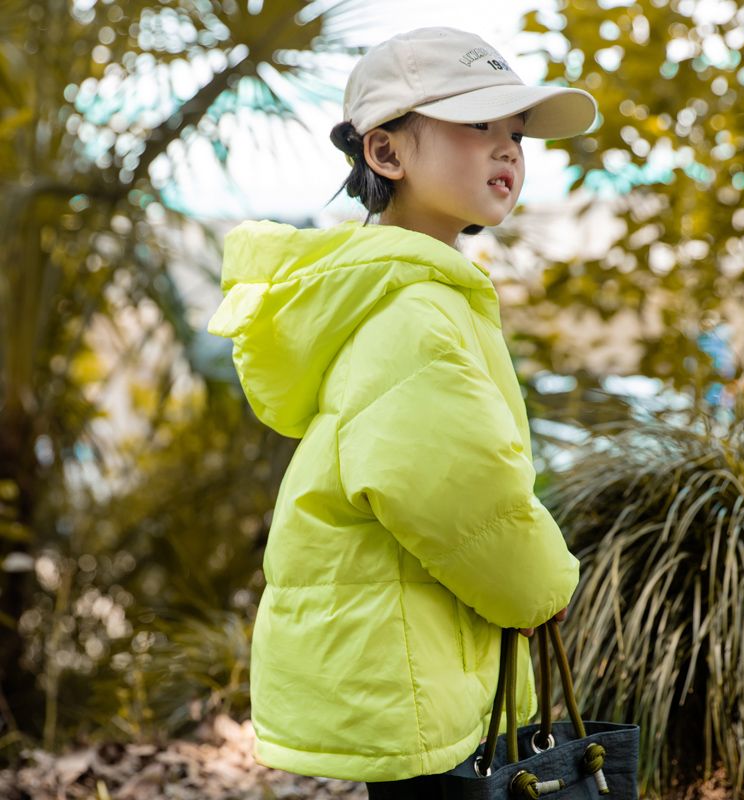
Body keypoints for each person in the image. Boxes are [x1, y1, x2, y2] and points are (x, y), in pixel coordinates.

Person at [207, 26, 597, 799]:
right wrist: (541, 587)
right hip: (413, 658)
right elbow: (452, 491)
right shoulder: (413, 308)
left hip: (405, 652)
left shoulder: (398, 289)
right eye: (477, 124)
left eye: (515, 132)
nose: (508, 150)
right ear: (386, 154)